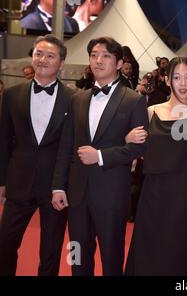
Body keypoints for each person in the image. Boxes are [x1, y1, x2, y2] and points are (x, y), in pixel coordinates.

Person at [51, 36, 148, 276]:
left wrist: (101, 156)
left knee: (111, 259)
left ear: (118, 63)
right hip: (77, 193)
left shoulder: (134, 101)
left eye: (106, 55)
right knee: (77, 255)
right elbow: (66, 146)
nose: (98, 60)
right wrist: (58, 187)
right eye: (94, 55)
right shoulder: (78, 99)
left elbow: (139, 149)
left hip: (112, 194)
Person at [0, 35, 76, 276]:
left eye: (50, 56)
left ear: (61, 63)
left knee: (50, 251)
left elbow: (72, 146)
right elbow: (3, 141)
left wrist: (63, 184)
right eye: (38, 54)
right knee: (5, 244)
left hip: (55, 187)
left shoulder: (74, 100)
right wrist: (2, 180)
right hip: (18, 183)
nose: (42, 60)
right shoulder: (12, 95)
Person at [125, 57, 187, 275]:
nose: (183, 83)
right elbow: (136, 152)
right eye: (177, 77)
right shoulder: (151, 111)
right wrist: (128, 138)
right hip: (152, 192)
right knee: (147, 250)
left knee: (175, 252)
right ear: (167, 80)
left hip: (182, 195)